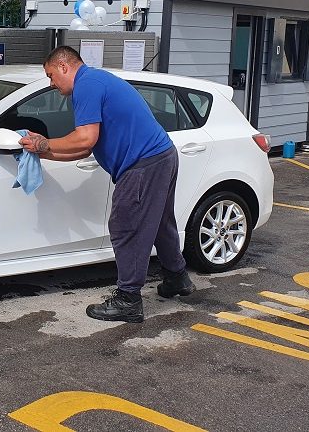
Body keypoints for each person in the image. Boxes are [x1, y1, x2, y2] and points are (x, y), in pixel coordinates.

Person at [19, 46, 195, 323]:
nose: (51, 84)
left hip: (143, 163)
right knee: (160, 222)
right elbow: (84, 149)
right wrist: (42, 151)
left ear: (64, 66)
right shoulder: (95, 81)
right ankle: (177, 278)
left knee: (126, 227)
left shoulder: (86, 86)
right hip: (160, 156)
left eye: (51, 76)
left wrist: (45, 142)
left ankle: (129, 299)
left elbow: (85, 139)